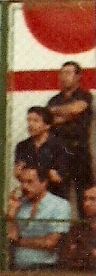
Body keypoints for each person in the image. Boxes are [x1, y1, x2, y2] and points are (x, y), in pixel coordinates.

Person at [7, 164, 70, 276]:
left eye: (29, 182)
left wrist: (19, 241)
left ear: (44, 182)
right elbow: (10, 237)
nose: (24, 186)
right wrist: (11, 214)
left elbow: (50, 242)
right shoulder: (19, 204)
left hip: (45, 269)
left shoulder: (59, 205)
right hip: (16, 268)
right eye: (22, 182)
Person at [48, 61, 93, 198]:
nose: (63, 77)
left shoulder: (85, 95)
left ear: (78, 76)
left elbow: (77, 108)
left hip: (79, 151)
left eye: (68, 73)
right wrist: (69, 114)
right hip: (60, 153)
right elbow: (49, 120)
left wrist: (59, 112)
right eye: (61, 73)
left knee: (85, 196)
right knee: (59, 195)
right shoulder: (54, 100)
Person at [13, 106, 72, 200]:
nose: (30, 124)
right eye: (28, 120)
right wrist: (46, 171)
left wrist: (31, 171)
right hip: (29, 194)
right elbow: (18, 173)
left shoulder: (60, 146)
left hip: (54, 195)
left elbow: (58, 177)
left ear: (47, 125)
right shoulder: (22, 146)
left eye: (35, 121)